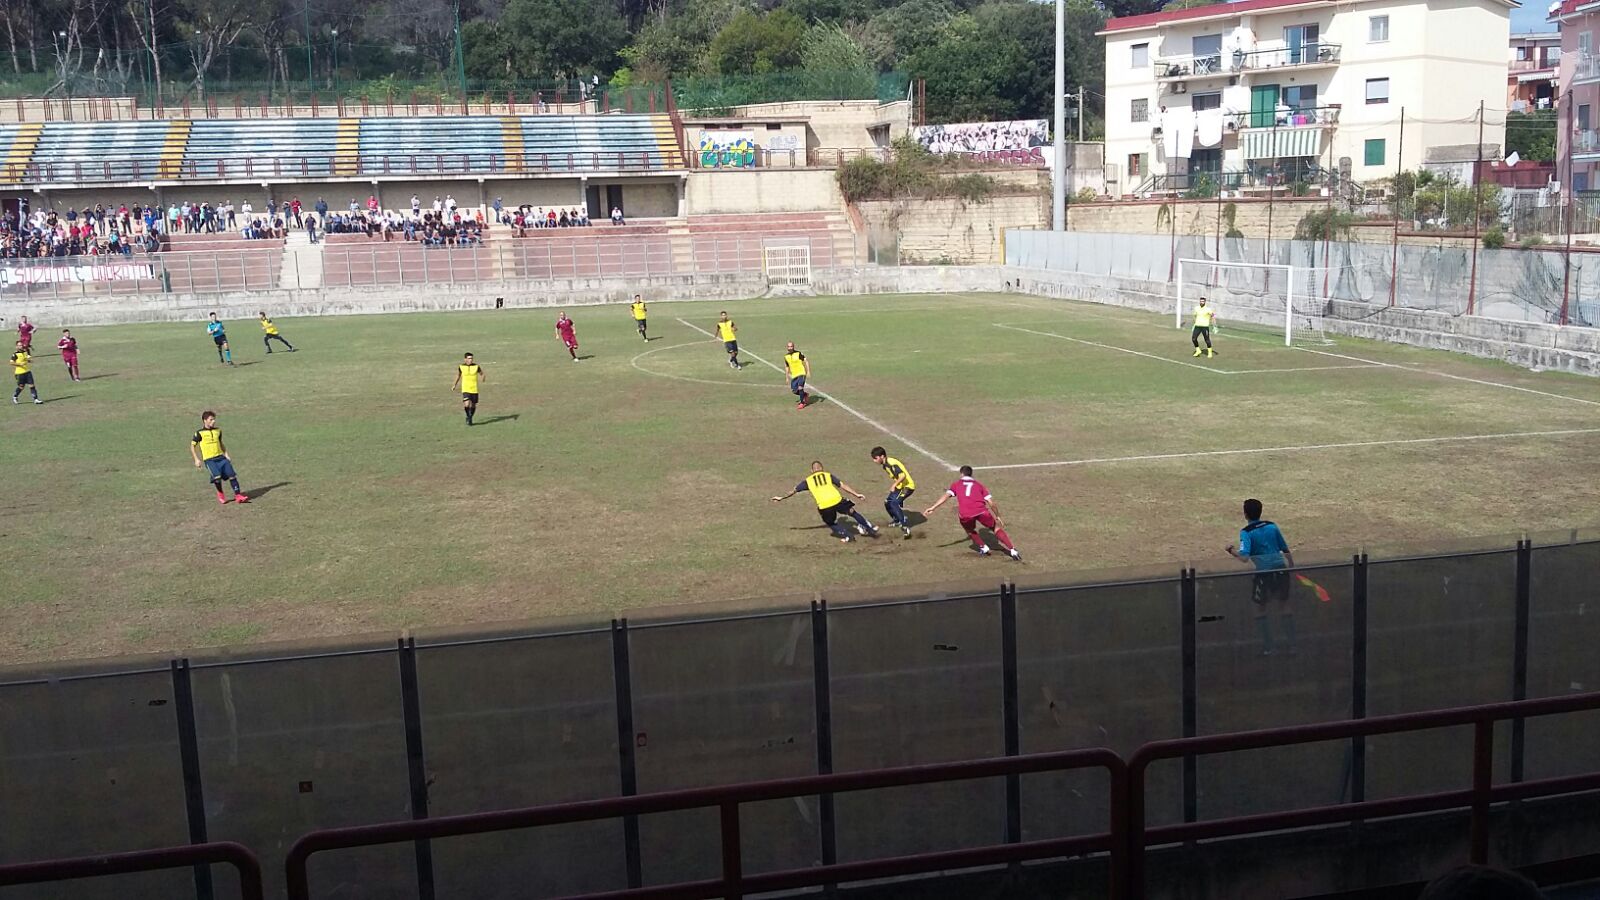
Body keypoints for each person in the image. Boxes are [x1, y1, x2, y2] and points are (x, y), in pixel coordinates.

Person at [1226, 498, 1296, 656]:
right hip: (1280, 569)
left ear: (1245, 514)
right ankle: (1292, 645)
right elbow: (1284, 548)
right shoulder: (1272, 526)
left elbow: (1244, 557)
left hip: (1264, 574)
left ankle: (1269, 647)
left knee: (1260, 609)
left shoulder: (1246, 532)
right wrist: (1290, 565)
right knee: (1285, 605)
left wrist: (1230, 550)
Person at [924, 466, 1021, 560]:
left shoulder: (956, 484)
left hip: (966, 514)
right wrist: (997, 516)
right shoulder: (979, 485)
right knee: (995, 528)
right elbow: (991, 503)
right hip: (982, 511)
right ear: (971, 474)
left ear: (961, 474)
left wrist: (933, 508)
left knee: (969, 530)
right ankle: (1012, 550)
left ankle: (983, 547)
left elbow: (945, 497)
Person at [770, 460, 878, 543]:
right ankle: (870, 529)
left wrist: (781, 498)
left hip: (824, 506)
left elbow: (793, 491)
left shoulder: (808, 481)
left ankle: (848, 536)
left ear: (812, 471)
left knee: (830, 522)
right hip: (837, 500)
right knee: (852, 512)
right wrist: (856, 494)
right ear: (822, 468)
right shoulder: (828, 475)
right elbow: (843, 485)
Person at [190, 410, 248, 504]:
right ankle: (220, 494)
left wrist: (226, 454)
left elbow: (220, 443)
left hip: (221, 458)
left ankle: (238, 495)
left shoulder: (218, 431)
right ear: (205, 420)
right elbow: (192, 446)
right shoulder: (199, 433)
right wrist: (196, 459)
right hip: (209, 460)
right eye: (211, 419)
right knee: (217, 478)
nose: (213, 421)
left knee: (232, 475)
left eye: (214, 419)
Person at [870, 446, 916, 538]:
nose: (874, 461)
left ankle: (905, 526)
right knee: (887, 503)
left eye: (875, 458)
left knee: (894, 503)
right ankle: (897, 520)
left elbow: (902, 476)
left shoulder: (891, 463)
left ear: (882, 456)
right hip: (900, 487)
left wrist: (894, 485)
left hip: (907, 486)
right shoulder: (885, 465)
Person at [452, 352, 485, 426]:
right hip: (465, 388)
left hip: (474, 388)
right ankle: (468, 416)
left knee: (473, 405)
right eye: (469, 358)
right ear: (465, 359)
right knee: (466, 404)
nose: (471, 360)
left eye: (472, 358)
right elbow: (458, 376)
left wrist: (483, 378)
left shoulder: (476, 366)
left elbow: (482, 373)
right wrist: (454, 385)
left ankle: (470, 417)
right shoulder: (461, 367)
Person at [10, 340, 41, 405]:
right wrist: (19, 364)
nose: (21, 346)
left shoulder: (25, 352)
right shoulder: (15, 354)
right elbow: (11, 362)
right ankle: (15, 396)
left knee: (32, 385)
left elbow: (27, 359)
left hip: (27, 371)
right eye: (19, 345)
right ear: (16, 346)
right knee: (21, 387)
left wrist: (30, 360)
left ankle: (35, 399)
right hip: (19, 373)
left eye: (21, 345)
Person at [782, 342, 811, 410]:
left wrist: (808, 371)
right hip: (794, 375)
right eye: (789, 347)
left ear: (793, 347)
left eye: (791, 346)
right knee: (794, 391)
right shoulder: (786, 357)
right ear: (787, 347)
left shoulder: (798, 353)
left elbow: (806, 361)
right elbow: (787, 367)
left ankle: (802, 403)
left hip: (801, 373)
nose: (790, 348)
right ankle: (805, 395)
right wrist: (786, 377)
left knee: (800, 387)